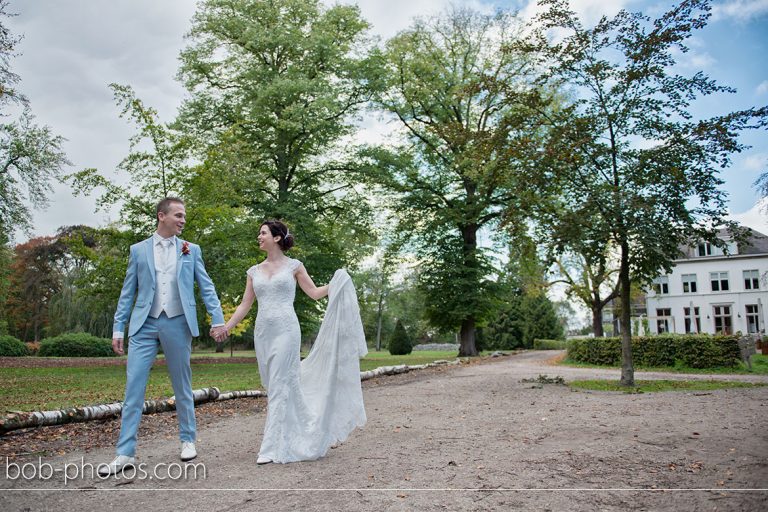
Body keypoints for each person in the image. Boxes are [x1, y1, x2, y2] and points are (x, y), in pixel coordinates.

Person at [220, 220, 367, 464]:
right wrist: (226, 327)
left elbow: (314, 293)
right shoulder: (253, 272)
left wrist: (338, 282)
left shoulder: (294, 267)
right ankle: (305, 429)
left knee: (279, 384)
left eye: (263, 233)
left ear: (277, 238)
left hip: (287, 331)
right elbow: (245, 305)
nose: (259, 236)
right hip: (263, 333)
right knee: (274, 385)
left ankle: (269, 448)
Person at [99, 197, 227, 476]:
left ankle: (187, 440)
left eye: (184, 216)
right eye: (178, 215)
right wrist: (118, 328)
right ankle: (124, 453)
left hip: (178, 322)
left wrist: (218, 319)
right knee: (133, 388)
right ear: (162, 216)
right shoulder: (138, 250)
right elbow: (127, 292)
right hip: (144, 324)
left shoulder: (191, 250)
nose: (183, 220)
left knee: (182, 385)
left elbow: (206, 287)